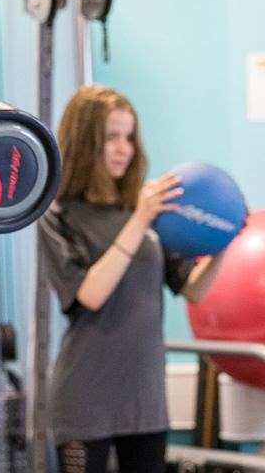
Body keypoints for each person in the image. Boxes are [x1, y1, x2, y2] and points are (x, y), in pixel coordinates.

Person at [38, 85, 228, 473]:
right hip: (84, 402)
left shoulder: (151, 218)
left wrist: (224, 242)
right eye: (111, 137)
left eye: (128, 137)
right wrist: (139, 219)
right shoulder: (58, 216)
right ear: (85, 141)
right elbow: (89, 295)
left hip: (146, 404)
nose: (123, 148)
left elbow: (194, 289)